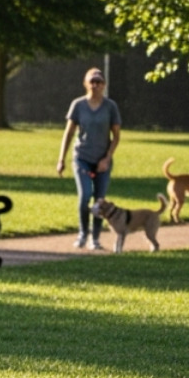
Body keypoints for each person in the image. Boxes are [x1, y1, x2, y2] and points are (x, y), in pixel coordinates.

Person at [56, 67, 121, 249]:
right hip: (82, 157)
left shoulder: (110, 106)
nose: (95, 85)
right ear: (86, 84)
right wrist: (61, 159)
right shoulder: (78, 105)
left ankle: (96, 239)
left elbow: (116, 136)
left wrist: (107, 158)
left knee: (99, 200)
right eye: (92, 81)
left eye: (99, 81)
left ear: (104, 85)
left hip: (102, 159)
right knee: (85, 195)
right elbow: (68, 133)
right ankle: (83, 233)